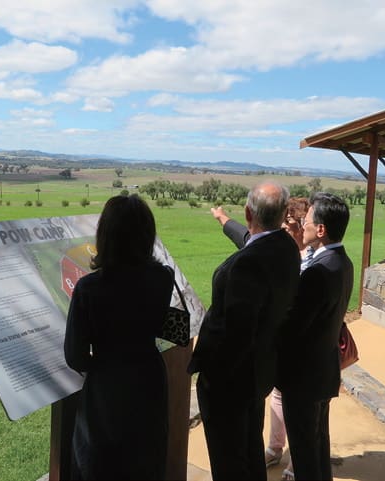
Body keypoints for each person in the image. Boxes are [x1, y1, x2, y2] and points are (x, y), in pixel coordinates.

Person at [189, 180, 300, 480]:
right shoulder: (287, 247)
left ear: (249, 213)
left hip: (230, 384)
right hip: (259, 372)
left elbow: (235, 334)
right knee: (250, 452)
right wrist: (224, 220)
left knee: (229, 461)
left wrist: (212, 381)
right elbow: (252, 241)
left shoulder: (246, 265)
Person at [64, 194, 174, 480]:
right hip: (149, 381)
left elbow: (74, 355)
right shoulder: (163, 277)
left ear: (106, 235)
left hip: (107, 391)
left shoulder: (89, 289)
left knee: (99, 465)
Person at [211, 197, 311, 480]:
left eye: (292, 223)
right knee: (268, 414)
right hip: (268, 361)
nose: (286, 227)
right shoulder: (283, 251)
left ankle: (297, 460)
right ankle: (276, 450)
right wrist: (221, 218)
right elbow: (246, 237)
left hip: (274, 357)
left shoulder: (298, 259)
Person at [277, 192, 354, 481]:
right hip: (324, 372)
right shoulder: (343, 263)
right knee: (319, 445)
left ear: (320, 229)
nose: (302, 225)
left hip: (303, 379)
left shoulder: (317, 273)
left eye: (306, 221)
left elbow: (293, 329)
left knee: (304, 453)